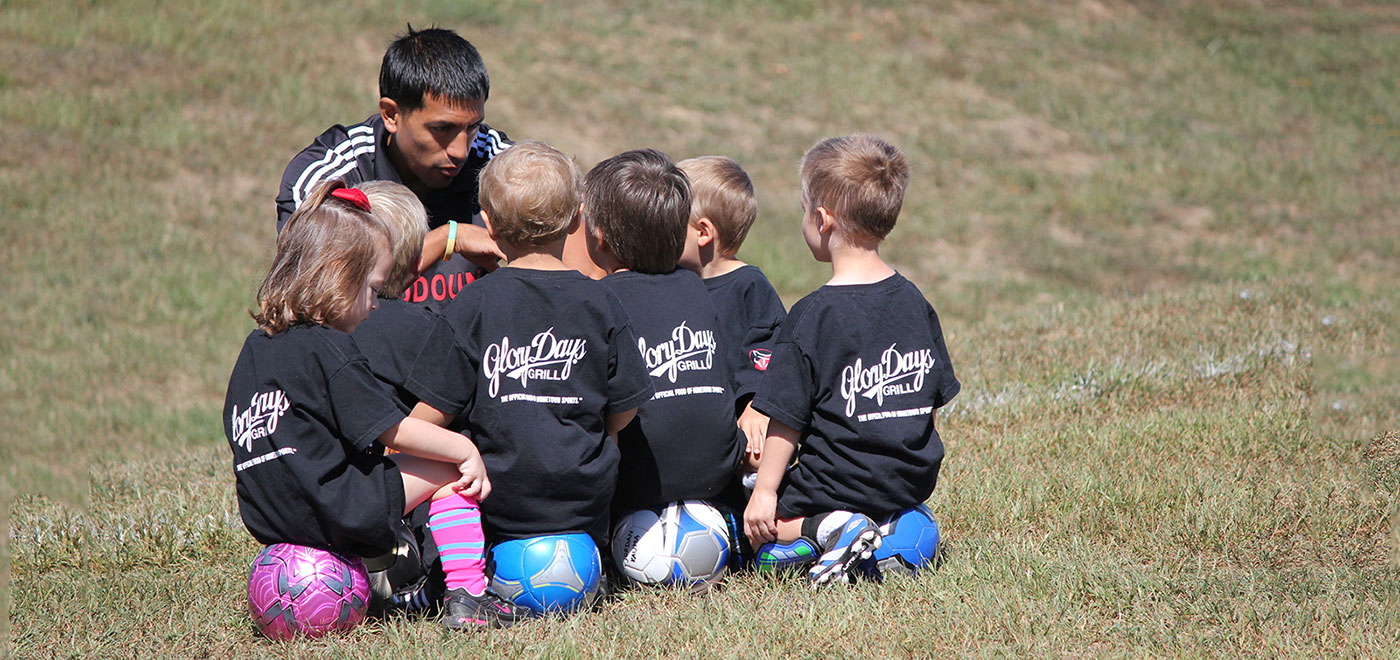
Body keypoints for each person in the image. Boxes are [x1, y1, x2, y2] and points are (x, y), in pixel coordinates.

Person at [223, 179, 532, 631]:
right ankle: (469, 594)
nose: (373, 307)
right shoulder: (329, 348)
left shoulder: (254, 350)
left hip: (269, 519)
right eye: (371, 289)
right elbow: (396, 431)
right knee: (446, 468)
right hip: (338, 511)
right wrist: (464, 452)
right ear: (336, 276)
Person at [741, 135, 960, 587]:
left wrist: (764, 492)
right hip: (911, 481)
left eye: (804, 210)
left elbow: (786, 421)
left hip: (838, 484)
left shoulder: (813, 316)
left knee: (757, 536)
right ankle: (884, 525)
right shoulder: (915, 301)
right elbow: (931, 399)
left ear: (822, 221)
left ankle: (833, 528)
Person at [417, 141, 654, 553]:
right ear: (577, 218)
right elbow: (625, 407)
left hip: (494, 500)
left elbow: (435, 411)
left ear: (488, 223)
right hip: (584, 504)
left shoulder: (473, 301)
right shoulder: (602, 300)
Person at [275, 26, 510, 313]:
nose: (460, 151)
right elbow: (322, 297)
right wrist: (451, 238)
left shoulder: (500, 164)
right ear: (391, 115)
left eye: (472, 127)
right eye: (442, 129)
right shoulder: (332, 176)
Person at [582, 149, 747, 516]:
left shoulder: (597, 300)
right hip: (718, 474)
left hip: (639, 480)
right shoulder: (698, 290)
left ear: (600, 237)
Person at [676, 156, 786, 470]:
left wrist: (756, 408)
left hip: (735, 425)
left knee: (755, 455)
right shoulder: (673, 281)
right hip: (691, 418)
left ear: (703, 232)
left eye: (671, 222)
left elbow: (772, 355)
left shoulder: (750, 287)